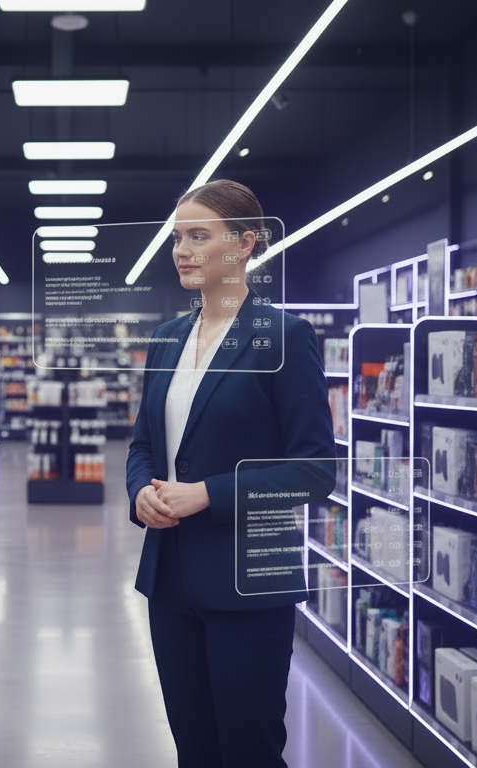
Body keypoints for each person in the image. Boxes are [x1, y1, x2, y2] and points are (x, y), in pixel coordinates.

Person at [125, 179, 336, 768]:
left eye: (199, 236)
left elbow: (316, 470)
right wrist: (142, 488)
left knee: (248, 749)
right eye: (177, 239)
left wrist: (207, 495)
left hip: (249, 579)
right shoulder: (166, 339)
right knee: (193, 747)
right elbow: (144, 441)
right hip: (169, 579)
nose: (182, 251)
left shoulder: (285, 336)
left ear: (245, 244)